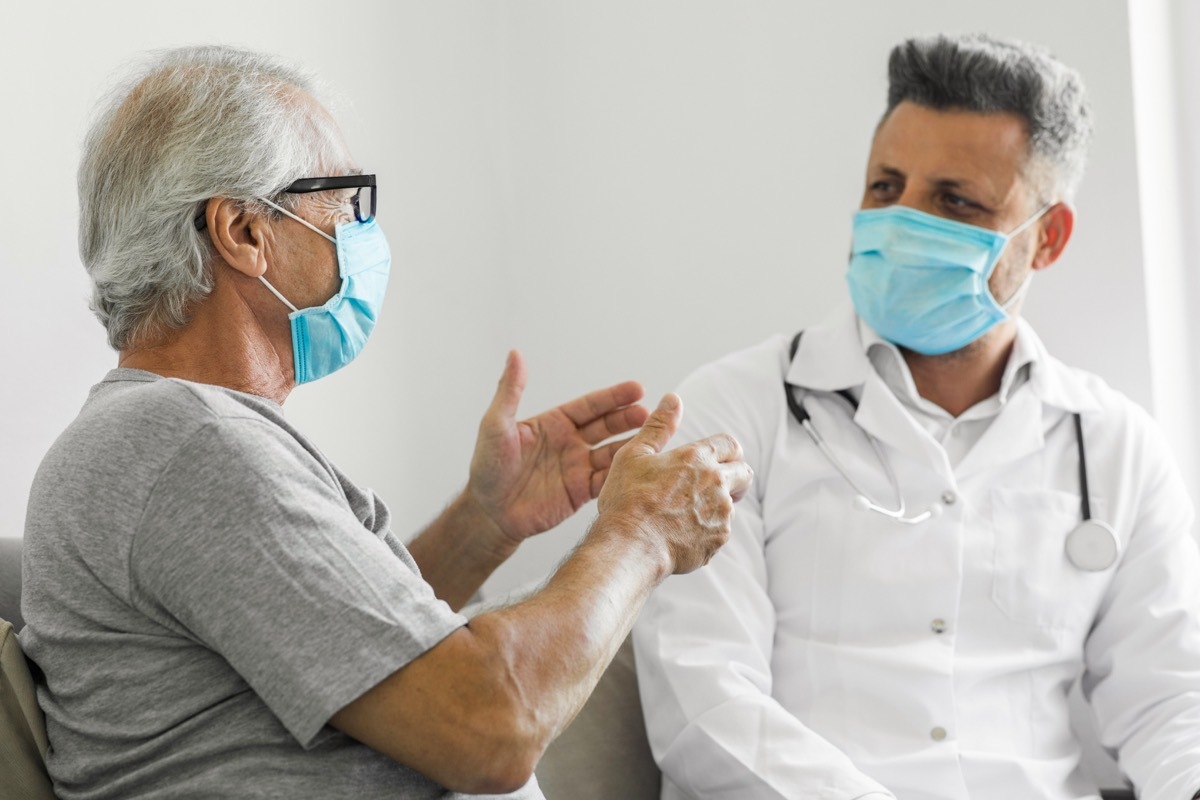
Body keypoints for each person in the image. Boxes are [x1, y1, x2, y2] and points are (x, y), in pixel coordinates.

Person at [20, 45, 753, 800]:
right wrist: (643, 535)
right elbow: (490, 729)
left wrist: (484, 522)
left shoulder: (170, 440)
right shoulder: (184, 443)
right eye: (346, 200)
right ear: (243, 231)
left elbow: (333, 636)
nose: (363, 232)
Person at [633, 33, 1200, 800]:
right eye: (885, 186)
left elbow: (1172, 702)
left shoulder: (1115, 445)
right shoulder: (733, 411)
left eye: (954, 201)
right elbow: (705, 707)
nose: (901, 223)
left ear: (1048, 238)